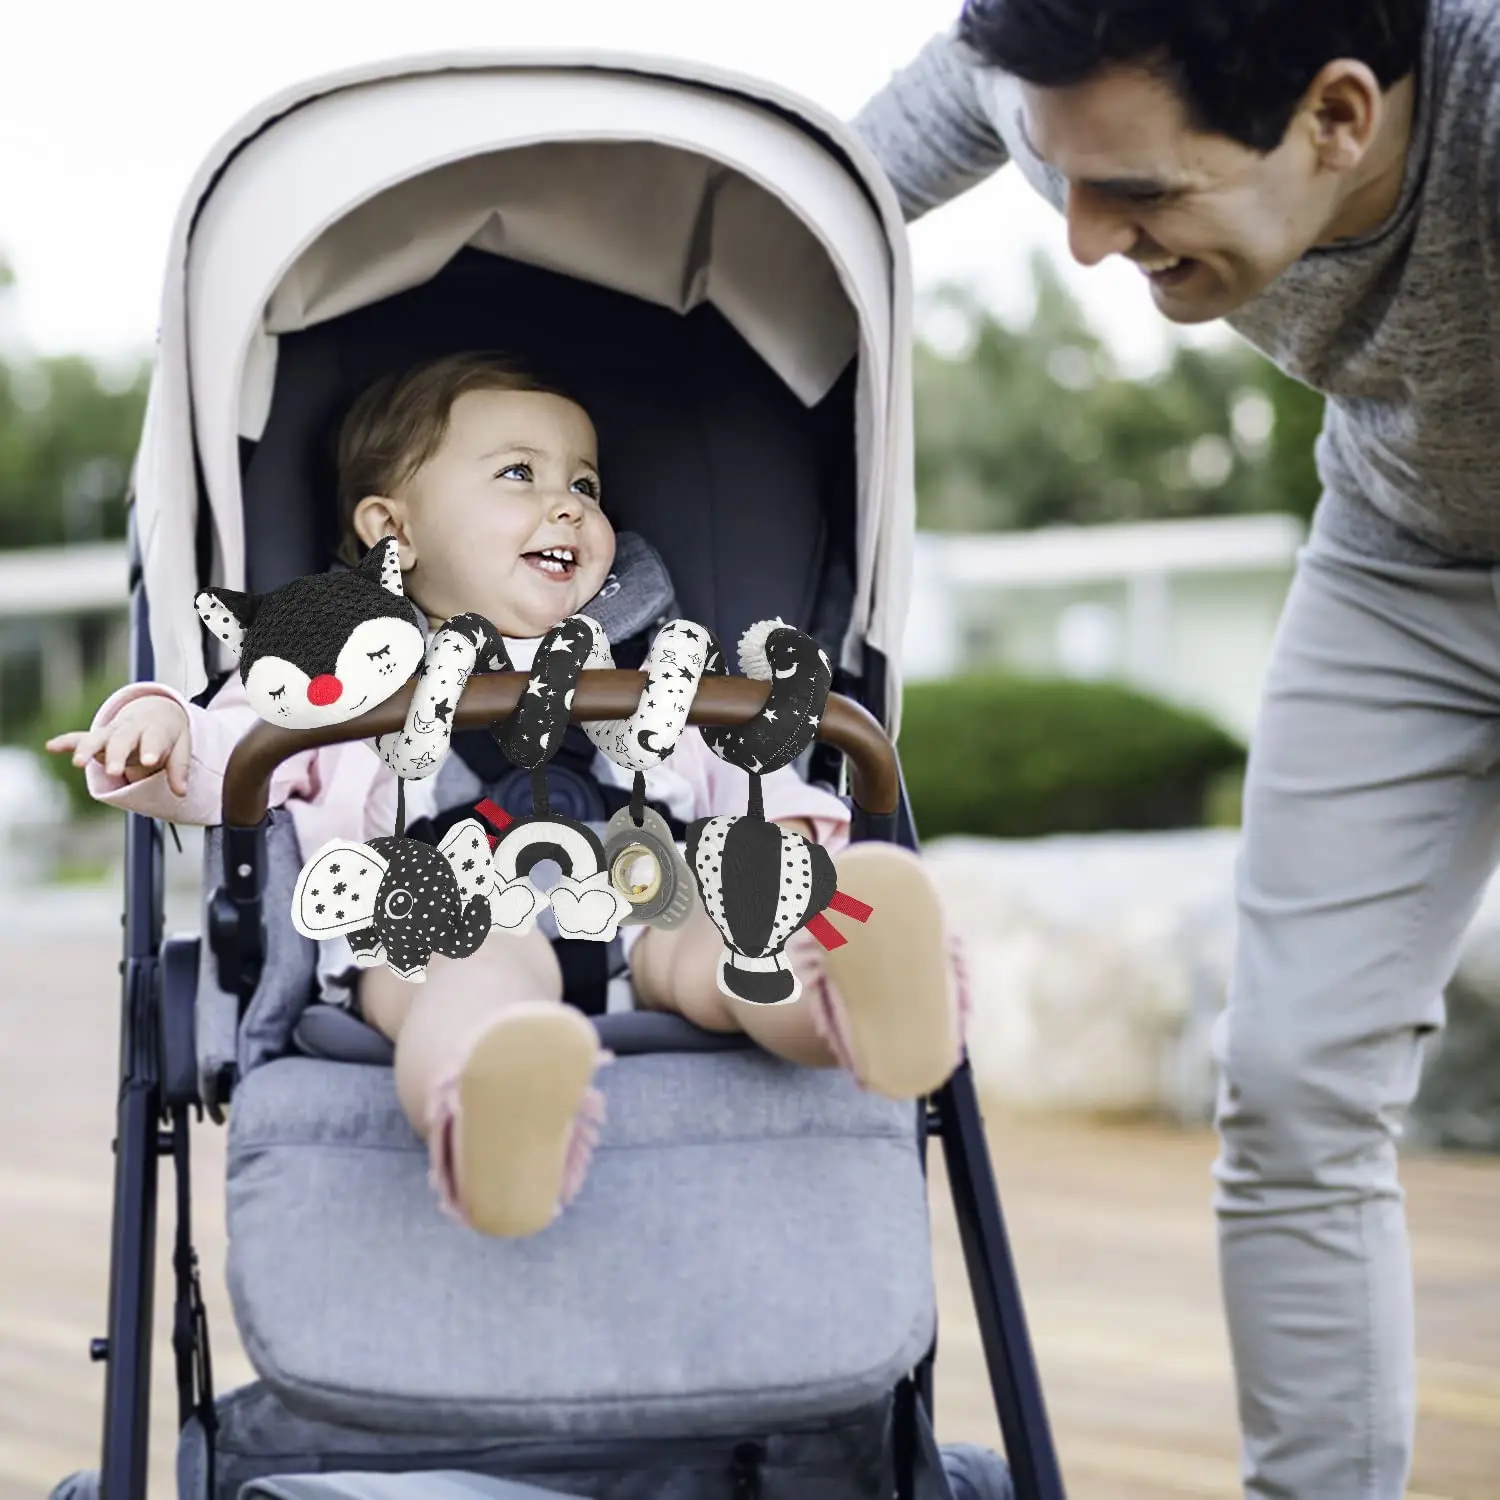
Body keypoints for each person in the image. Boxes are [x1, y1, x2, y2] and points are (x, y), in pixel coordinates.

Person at [853, 1, 1499, 1495]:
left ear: (1339, 116)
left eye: (1140, 196)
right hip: (1400, 560)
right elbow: (793, 198)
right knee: (1290, 1082)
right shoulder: (1080, 90)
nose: (1081, 239)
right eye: (1055, 169)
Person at [47, 354, 965, 1241]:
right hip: (436, 922)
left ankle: (842, 998)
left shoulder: (650, 663)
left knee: (729, 938)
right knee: (470, 972)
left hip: (646, 909)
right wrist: (163, 727)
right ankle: (497, 1104)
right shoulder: (339, 672)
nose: (567, 503)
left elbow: (742, 785)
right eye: (518, 474)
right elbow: (234, 749)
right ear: (389, 531)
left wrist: (810, 854)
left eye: (588, 486)